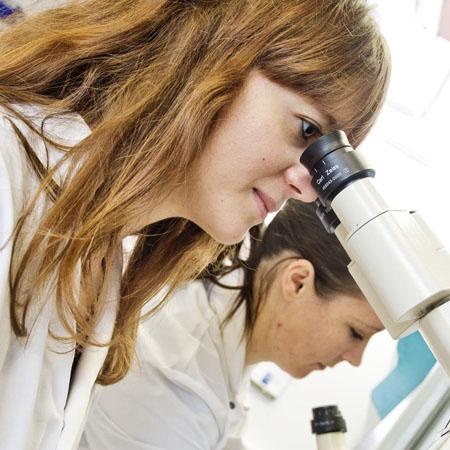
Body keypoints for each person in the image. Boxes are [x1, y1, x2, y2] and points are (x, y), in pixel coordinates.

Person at [0, 0, 390, 448]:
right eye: (306, 130)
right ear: (215, 57)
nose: (306, 188)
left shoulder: (105, 263)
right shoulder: (7, 175)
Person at [80, 200, 384, 450]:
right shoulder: (176, 379)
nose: (355, 358)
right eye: (356, 332)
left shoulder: (229, 321)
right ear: (297, 282)